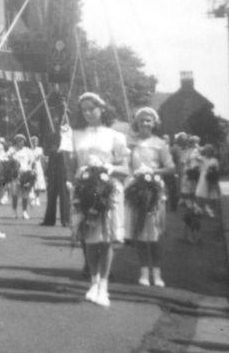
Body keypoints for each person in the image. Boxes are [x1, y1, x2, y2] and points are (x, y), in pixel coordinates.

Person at [69, 92, 129, 307]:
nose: (87, 113)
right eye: (83, 109)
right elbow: (72, 163)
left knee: (105, 239)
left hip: (107, 189)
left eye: (91, 108)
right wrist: (73, 182)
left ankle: (103, 285)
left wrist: (110, 168)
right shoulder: (75, 134)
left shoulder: (115, 136)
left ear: (102, 109)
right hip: (84, 189)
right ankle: (93, 281)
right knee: (89, 236)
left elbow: (125, 168)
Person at [125, 107, 175, 288]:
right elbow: (127, 166)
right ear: (136, 123)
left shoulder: (160, 143)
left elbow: (170, 167)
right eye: (141, 120)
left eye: (148, 121)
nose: (145, 123)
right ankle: (144, 271)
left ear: (154, 124)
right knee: (139, 232)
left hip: (154, 190)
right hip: (136, 189)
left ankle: (157, 272)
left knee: (154, 234)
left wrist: (152, 172)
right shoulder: (130, 143)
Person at [41, 103, 72, 227]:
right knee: (51, 194)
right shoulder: (51, 134)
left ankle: (66, 219)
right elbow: (46, 149)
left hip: (64, 166)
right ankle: (49, 219)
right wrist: (51, 149)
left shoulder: (69, 134)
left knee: (65, 194)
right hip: (53, 166)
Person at [9, 134, 35, 220]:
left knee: (25, 194)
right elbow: (7, 159)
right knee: (15, 194)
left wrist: (31, 171)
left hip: (25, 175)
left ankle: (24, 211)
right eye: (19, 141)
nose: (21, 142)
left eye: (22, 141)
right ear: (16, 141)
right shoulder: (12, 150)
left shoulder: (27, 151)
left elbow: (32, 162)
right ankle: (14, 211)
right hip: (15, 175)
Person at [196, 144, 221, 218]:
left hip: (211, 178)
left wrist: (212, 172)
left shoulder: (215, 160)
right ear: (205, 151)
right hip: (203, 177)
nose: (208, 152)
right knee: (201, 194)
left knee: (212, 195)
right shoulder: (201, 158)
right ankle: (199, 211)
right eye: (207, 151)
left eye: (210, 151)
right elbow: (195, 159)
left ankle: (211, 211)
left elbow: (217, 170)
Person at [30, 135, 46, 207]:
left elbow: (41, 157)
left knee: (38, 183)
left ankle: (37, 198)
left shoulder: (40, 149)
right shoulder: (29, 150)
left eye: (36, 141)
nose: (35, 142)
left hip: (38, 167)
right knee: (32, 183)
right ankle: (33, 199)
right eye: (33, 141)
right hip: (31, 167)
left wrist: (40, 157)